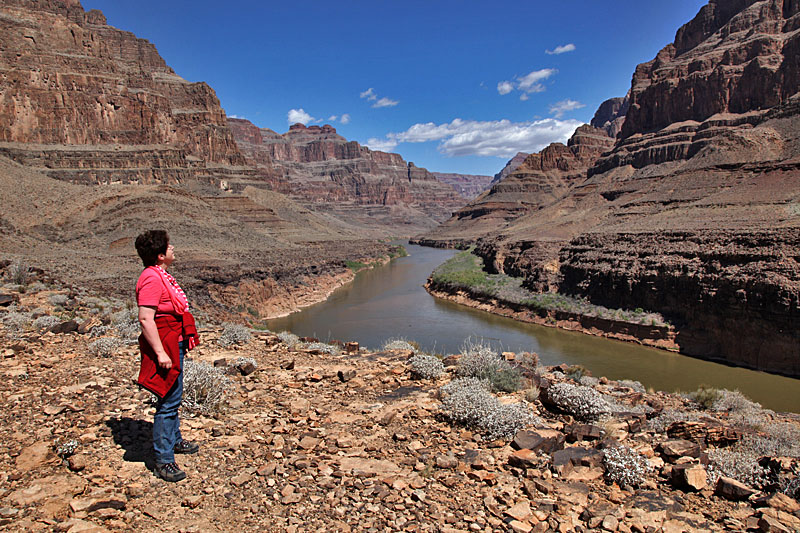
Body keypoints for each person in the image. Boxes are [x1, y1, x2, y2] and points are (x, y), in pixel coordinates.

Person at [134, 230, 200, 482]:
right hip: (166, 345)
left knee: (175, 395)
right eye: (169, 246)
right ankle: (163, 460)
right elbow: (145, 318)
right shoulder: (151, 279)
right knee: (168, 400)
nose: (174, 248)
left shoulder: (161, 275)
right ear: (160, 255)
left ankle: (174, 440)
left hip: (174, 343)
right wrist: (161, 353)